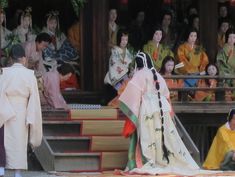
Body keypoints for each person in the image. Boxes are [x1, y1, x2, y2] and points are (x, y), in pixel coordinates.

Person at [119, 51, 200, 175]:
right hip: (162, 109)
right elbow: (166, 94)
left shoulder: (140, 74)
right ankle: (163, 159)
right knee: (161, 135)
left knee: (148, 136)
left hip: (147, 108)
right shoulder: (157, 75)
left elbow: (132, 92)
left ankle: (149, 160)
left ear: (138, 63)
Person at [0, 44, 42, 177]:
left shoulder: (4, 74)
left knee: (4, 142)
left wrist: (4, 111)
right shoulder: (30, 75)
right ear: (24, 59)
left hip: (5, 111)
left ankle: (1, 170)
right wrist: (31, 117)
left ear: (11, 59)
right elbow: (34, 100)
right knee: (19, 143)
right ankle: (17, 173)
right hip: (23, 111)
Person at [216, 28, 235, 100]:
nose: (232, 39)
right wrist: (226, 73)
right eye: (230, 37)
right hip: (225, 73)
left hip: (233, 72)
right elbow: (219, 63)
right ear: (227, 37)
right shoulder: (223, 49)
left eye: (234, 37)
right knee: (225, 85)